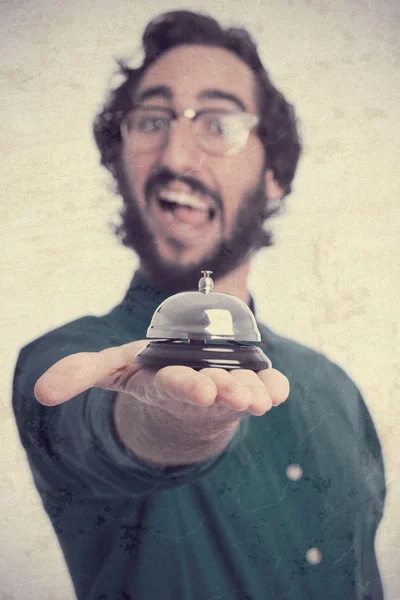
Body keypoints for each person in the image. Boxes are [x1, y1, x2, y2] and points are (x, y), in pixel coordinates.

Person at [12, 10, 386, 600]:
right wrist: (178, 422)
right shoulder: (69, 362)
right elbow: (113, 431)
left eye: (220, 123)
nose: (177, 157)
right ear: (121, 161)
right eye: (152, 120)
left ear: (274, 175)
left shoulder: (335, 388)